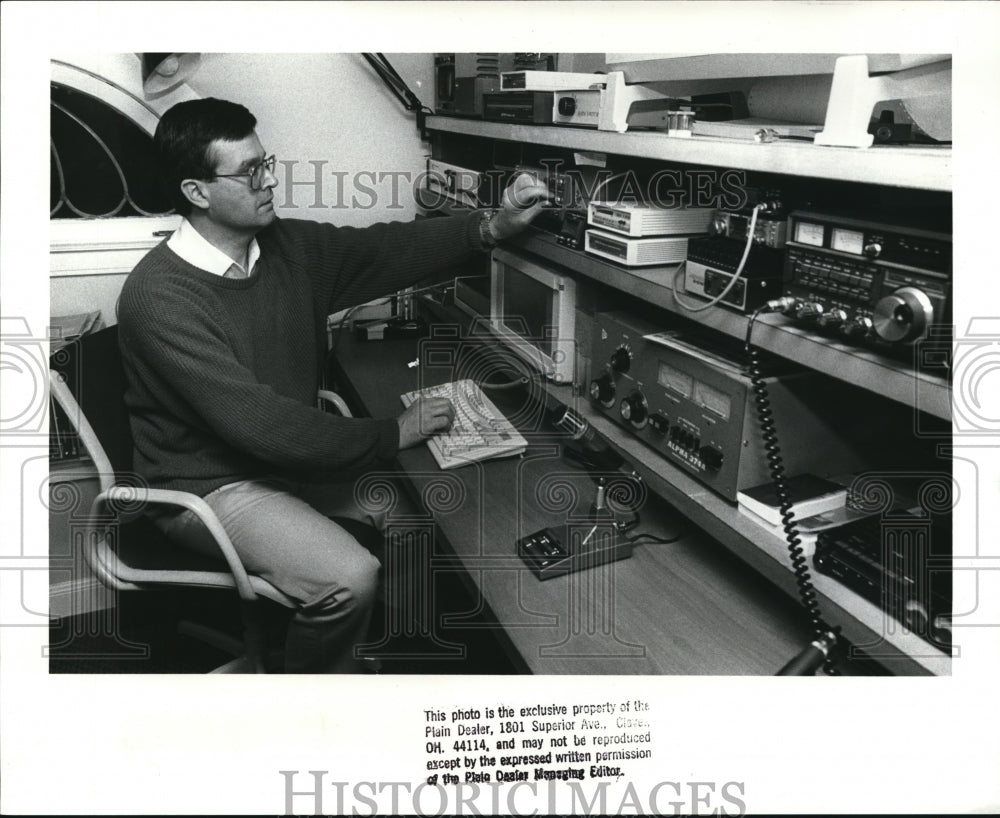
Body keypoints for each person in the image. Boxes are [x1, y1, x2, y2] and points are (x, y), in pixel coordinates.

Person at [117, 97, 547, 672]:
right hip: (211, 486)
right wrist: (391, 433)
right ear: (197, 192)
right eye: (250, 172)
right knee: (348, 575)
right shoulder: (160, 295)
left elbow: (383, 250)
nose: (270, 180)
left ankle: (392, 654)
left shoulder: (285, 248)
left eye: (267, 163)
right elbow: (262, 424)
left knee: (409, 517)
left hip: (283, 465)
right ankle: (318, 702)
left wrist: (492, 225)